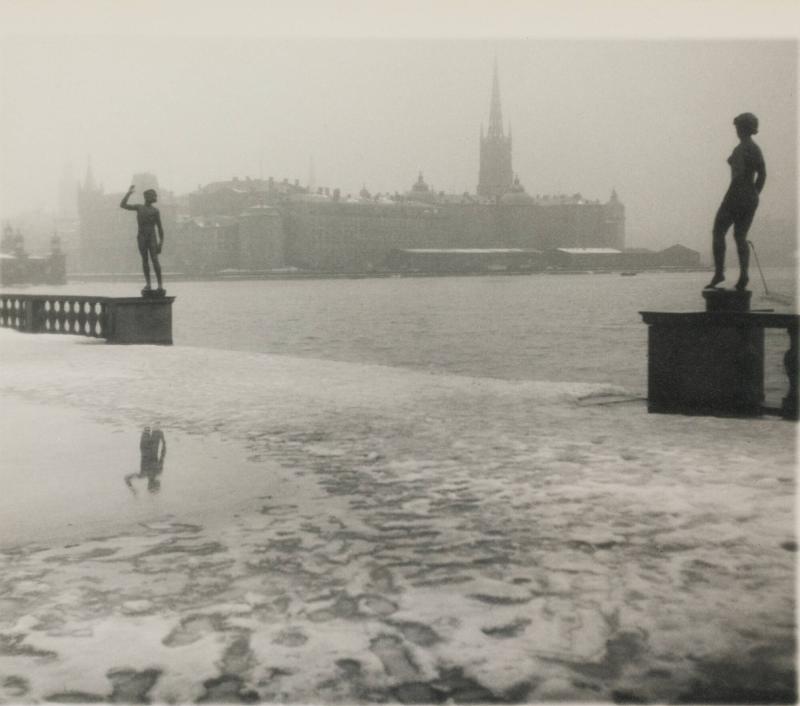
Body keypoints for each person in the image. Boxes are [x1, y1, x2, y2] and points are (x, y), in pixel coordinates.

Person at [706, 112, 766, 291]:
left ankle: (720, 272)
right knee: (739, 236)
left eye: (738, 127)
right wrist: (754, 194)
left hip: (737, 194)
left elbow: (759, 174)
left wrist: (752, 192)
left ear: (744, 128)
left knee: (718, 231)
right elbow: (759, 173)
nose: (736, 131)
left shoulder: (747, 148)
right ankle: (742, 276)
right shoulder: (746, 148)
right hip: (747, 196)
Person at [120, 185, 165, 294]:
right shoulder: (139, 207)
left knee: (155, 260)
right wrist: (129, 193)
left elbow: (160, 228)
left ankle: (160, 285)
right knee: (145, 260)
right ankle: (148, 284)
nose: (156, 197)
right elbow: (123, 205)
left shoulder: (155, 211)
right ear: (147, 197)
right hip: (142, 237)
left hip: (151, 236)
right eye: (154, 195)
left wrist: (160, 243)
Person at [125, 425, 167, 494]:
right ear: (149, 484)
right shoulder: (143, 474)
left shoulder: (157, 471)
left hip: (152, 448)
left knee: (155, 429)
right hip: (145, 447)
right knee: (150, 429)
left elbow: (163, 455)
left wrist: (163, 441)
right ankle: (151, 429)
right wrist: (132, 489)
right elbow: (126, 478)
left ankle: (153, 428)